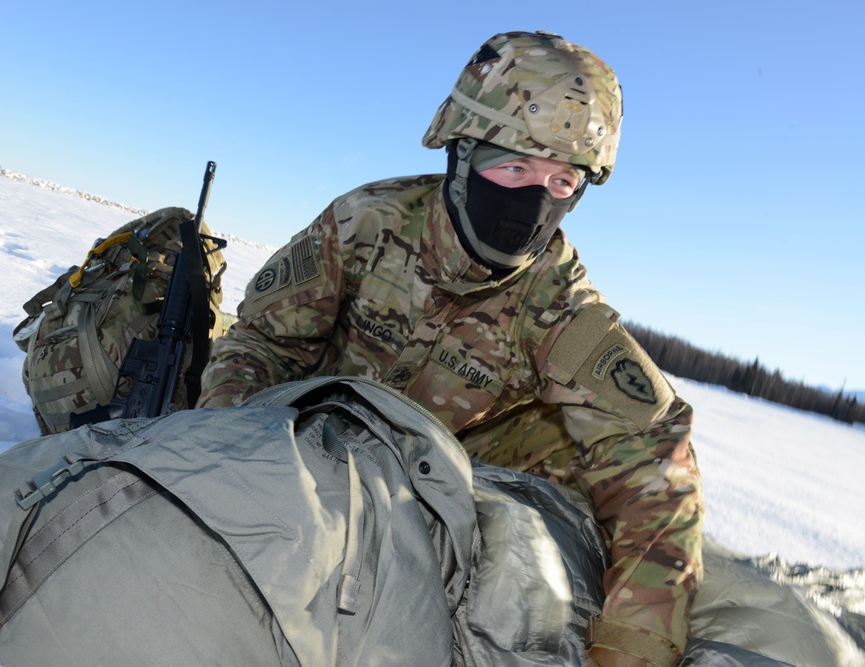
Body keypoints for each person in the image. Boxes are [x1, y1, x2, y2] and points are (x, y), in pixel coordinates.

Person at [198, 30, 703, 667]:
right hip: (308, 434)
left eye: (563, 180)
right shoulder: (368, 223)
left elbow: (657, 464)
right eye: (514, 167)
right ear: (461, 153)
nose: (535, 199)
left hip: (436, 488)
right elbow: (264, 341)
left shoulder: (560, 306)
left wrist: (632, 654)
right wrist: (229, 454)